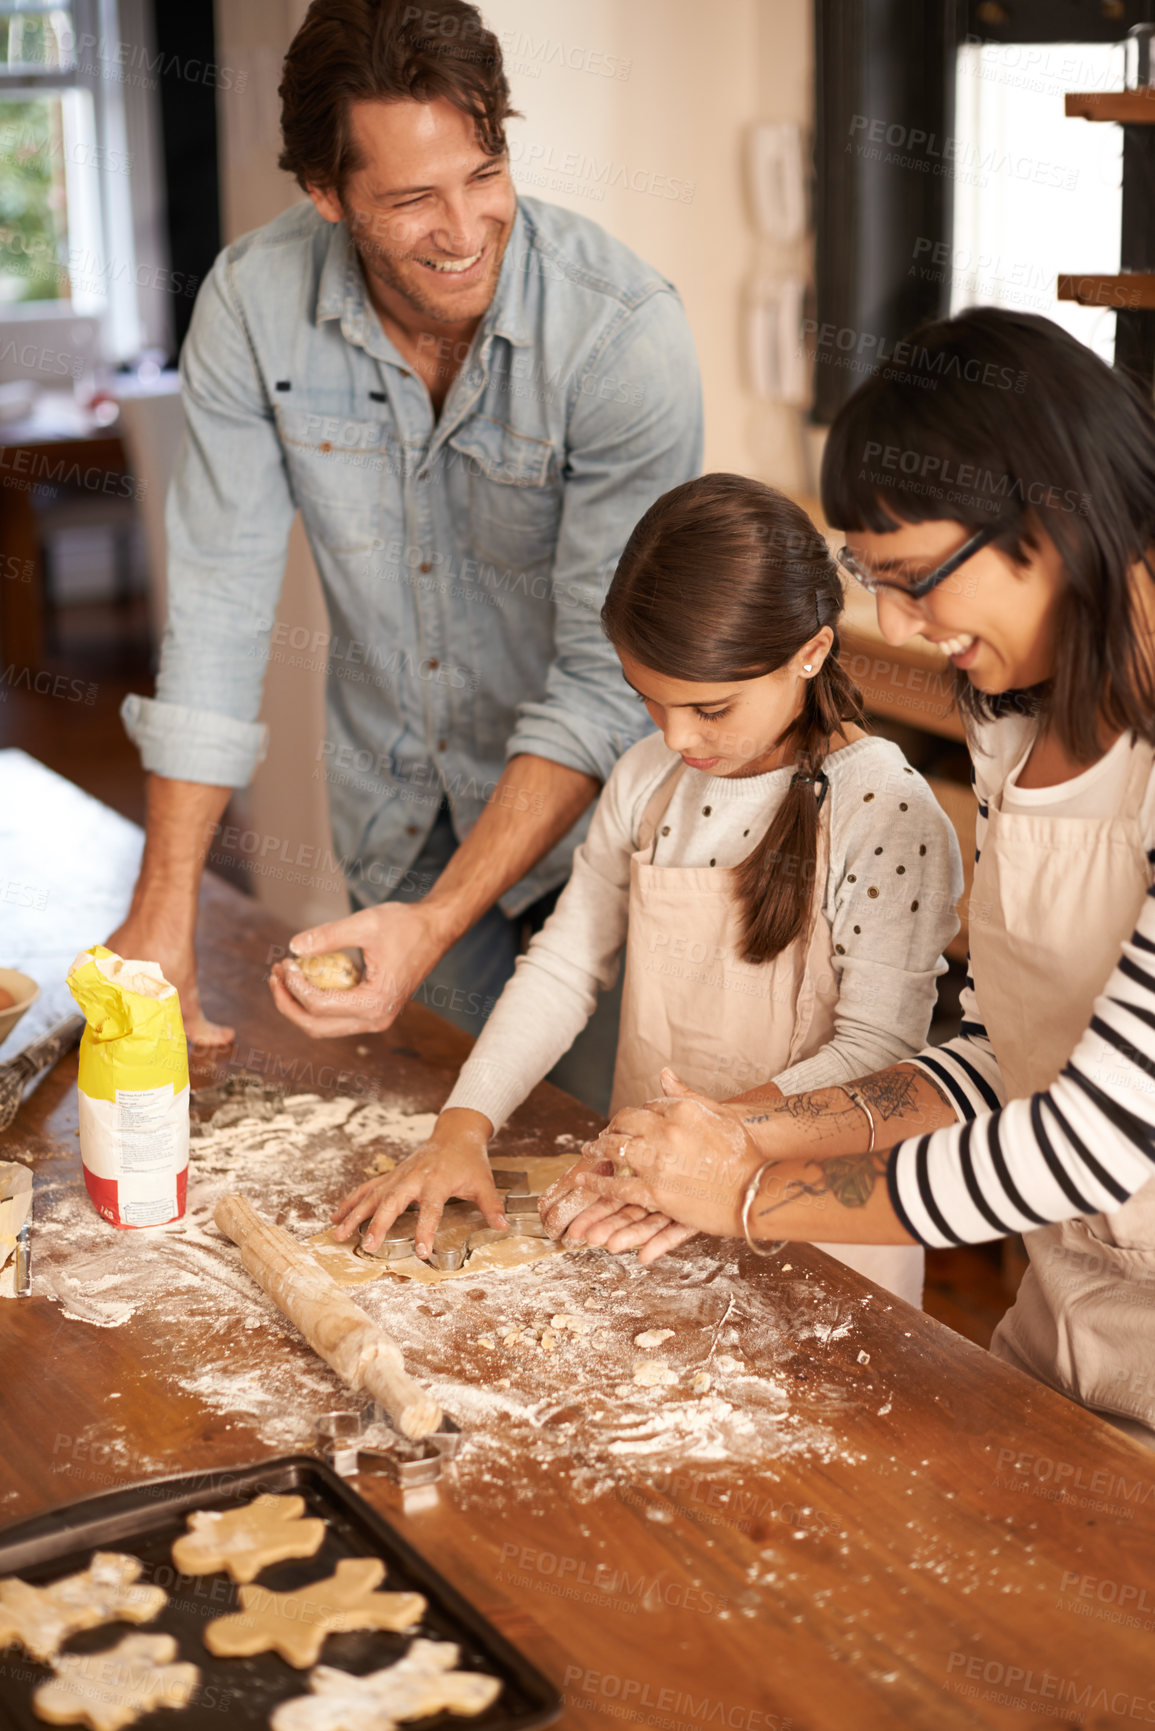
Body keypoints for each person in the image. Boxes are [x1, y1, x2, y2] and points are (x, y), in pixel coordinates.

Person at [554, 308, 1155, 1444]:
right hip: (1068, 1320)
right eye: (874, 580)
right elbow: (998, 1053)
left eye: (916, 577)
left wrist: (745, 1198)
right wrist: (744, 1131)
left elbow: (1094, 1139)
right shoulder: (1017, 722)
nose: (898, 624)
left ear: (1055, 516)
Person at [109, 0, 701, 1113]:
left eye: (484, 173)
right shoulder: (250, 306)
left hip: (618, 847)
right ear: (327, 197)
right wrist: (167, 905)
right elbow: (224, 611)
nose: (466, 227)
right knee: (446, 1163)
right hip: (401, 829)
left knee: (600, 1172)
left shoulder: (622, 336)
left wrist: (439, 924)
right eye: (414, 198)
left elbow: (603, 680)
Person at [331, 475, 963, 1305]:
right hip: (648, 1216)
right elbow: (563, 964)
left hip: (821, 1230)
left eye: (709, 707)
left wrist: (706, 1144)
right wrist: (464, 1123)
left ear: (809, 651)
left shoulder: (883, 810)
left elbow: (877, 1056)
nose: (675, 736)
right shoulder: (648, 778)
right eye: (649, 701)